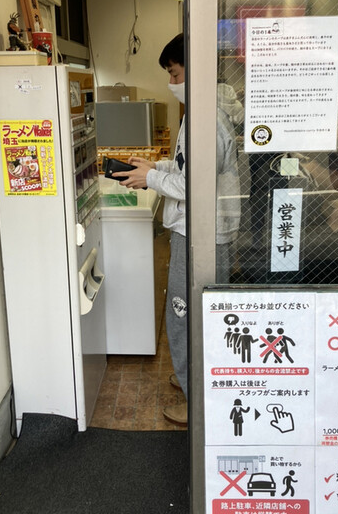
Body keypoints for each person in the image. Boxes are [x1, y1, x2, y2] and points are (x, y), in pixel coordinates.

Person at [113, 33, 240, 425]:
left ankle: (196, 400)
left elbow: (193, 186)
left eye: (175, 73)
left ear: (195, 69)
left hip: (200, 233)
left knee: (185, 318)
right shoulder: (203, 113)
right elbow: (189, 168)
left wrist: (151, 179)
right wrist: (154, 167)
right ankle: (192, 381)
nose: (171, 83)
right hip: (200, 230)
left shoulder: (206, 120)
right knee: (191, 314)